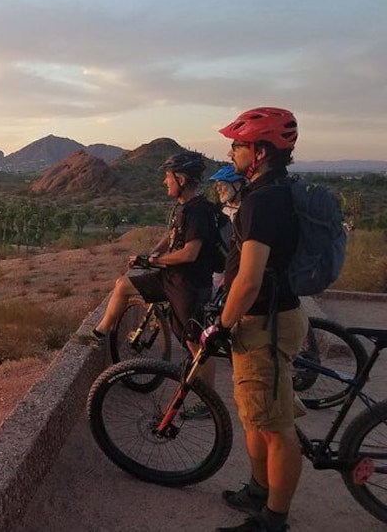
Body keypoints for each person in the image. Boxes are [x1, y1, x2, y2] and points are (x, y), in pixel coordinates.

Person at [200, 107, 309, 532]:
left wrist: (221, 326)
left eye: (238, 145)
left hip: (264, 322)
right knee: (258, 417)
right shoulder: (275, 191)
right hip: (272, 318)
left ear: (259, 151)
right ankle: (258, 490)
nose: (231, 151)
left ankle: (273, 520)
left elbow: (248, 280)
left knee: (276, 427)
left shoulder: (261, 202)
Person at [92, 151, 218, 409]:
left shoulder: (198, 211)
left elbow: (190, 253)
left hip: (189, 286)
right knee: (123, 285)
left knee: (197, 346)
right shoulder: (182, 208)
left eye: (168, 177)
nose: (164, 182)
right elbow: (170, 237)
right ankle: (99, 333)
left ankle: (208, 403)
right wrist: (153, 254)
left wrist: (154, 262)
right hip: (171, 279)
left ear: (181, 179)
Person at [209, 164, 247, 293]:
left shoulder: (248, 210)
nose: (218, 189)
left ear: (236, 185)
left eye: (222, 185)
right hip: (219, 266)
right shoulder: (219, 210)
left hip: (240, 268)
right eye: (217, 185)